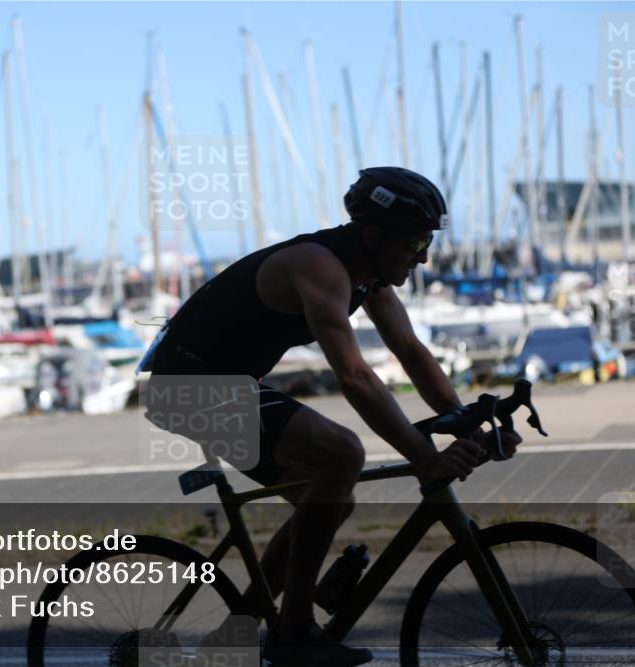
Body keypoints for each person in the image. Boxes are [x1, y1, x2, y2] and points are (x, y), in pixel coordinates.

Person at [146, 166, 521, 665]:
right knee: (342, 453)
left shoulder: (370, 280)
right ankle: (294, 631)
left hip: (228, 384)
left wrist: (467, 423)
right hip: (187, 387)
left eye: (428, 241)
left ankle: (233, 637)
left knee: (328, 501)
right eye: (414, 242)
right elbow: (355, 377)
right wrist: (424, 458)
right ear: (373, 235)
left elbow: (410, 351)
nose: (424, 256)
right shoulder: (319, 267)